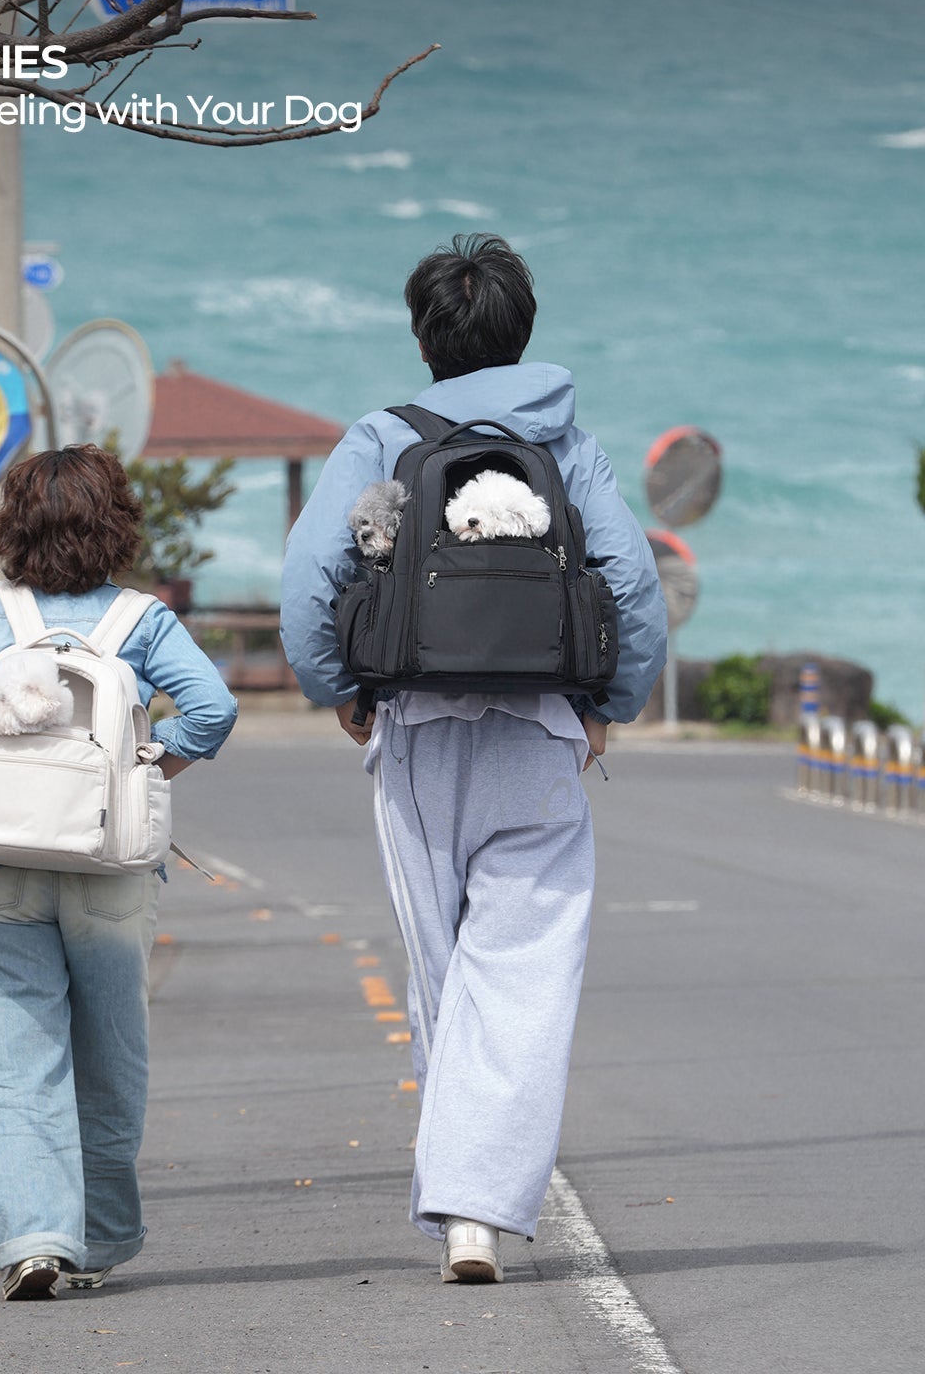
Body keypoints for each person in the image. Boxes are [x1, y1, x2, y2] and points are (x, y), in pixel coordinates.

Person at [280, 234, 666, 1284]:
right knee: (527, 974)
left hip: (416, 732)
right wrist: (609, 706)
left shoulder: (383, 438)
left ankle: (458, 1204)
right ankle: (476, 1208)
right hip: (540, 732)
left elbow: (315, 573)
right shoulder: (570, 445)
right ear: (520, 330)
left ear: (424, 337)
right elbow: (629, 585)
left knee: (444, 971)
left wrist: (342, 688)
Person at [0, 444, 237, 1301]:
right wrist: (149, 767)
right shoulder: (141, 621)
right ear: (115, 524)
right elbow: (213, 711)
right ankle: (102, 1237)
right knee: (111, 1055)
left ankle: (35, 1240)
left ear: (14, 525)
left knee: (10, 1056)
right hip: (109, 871)